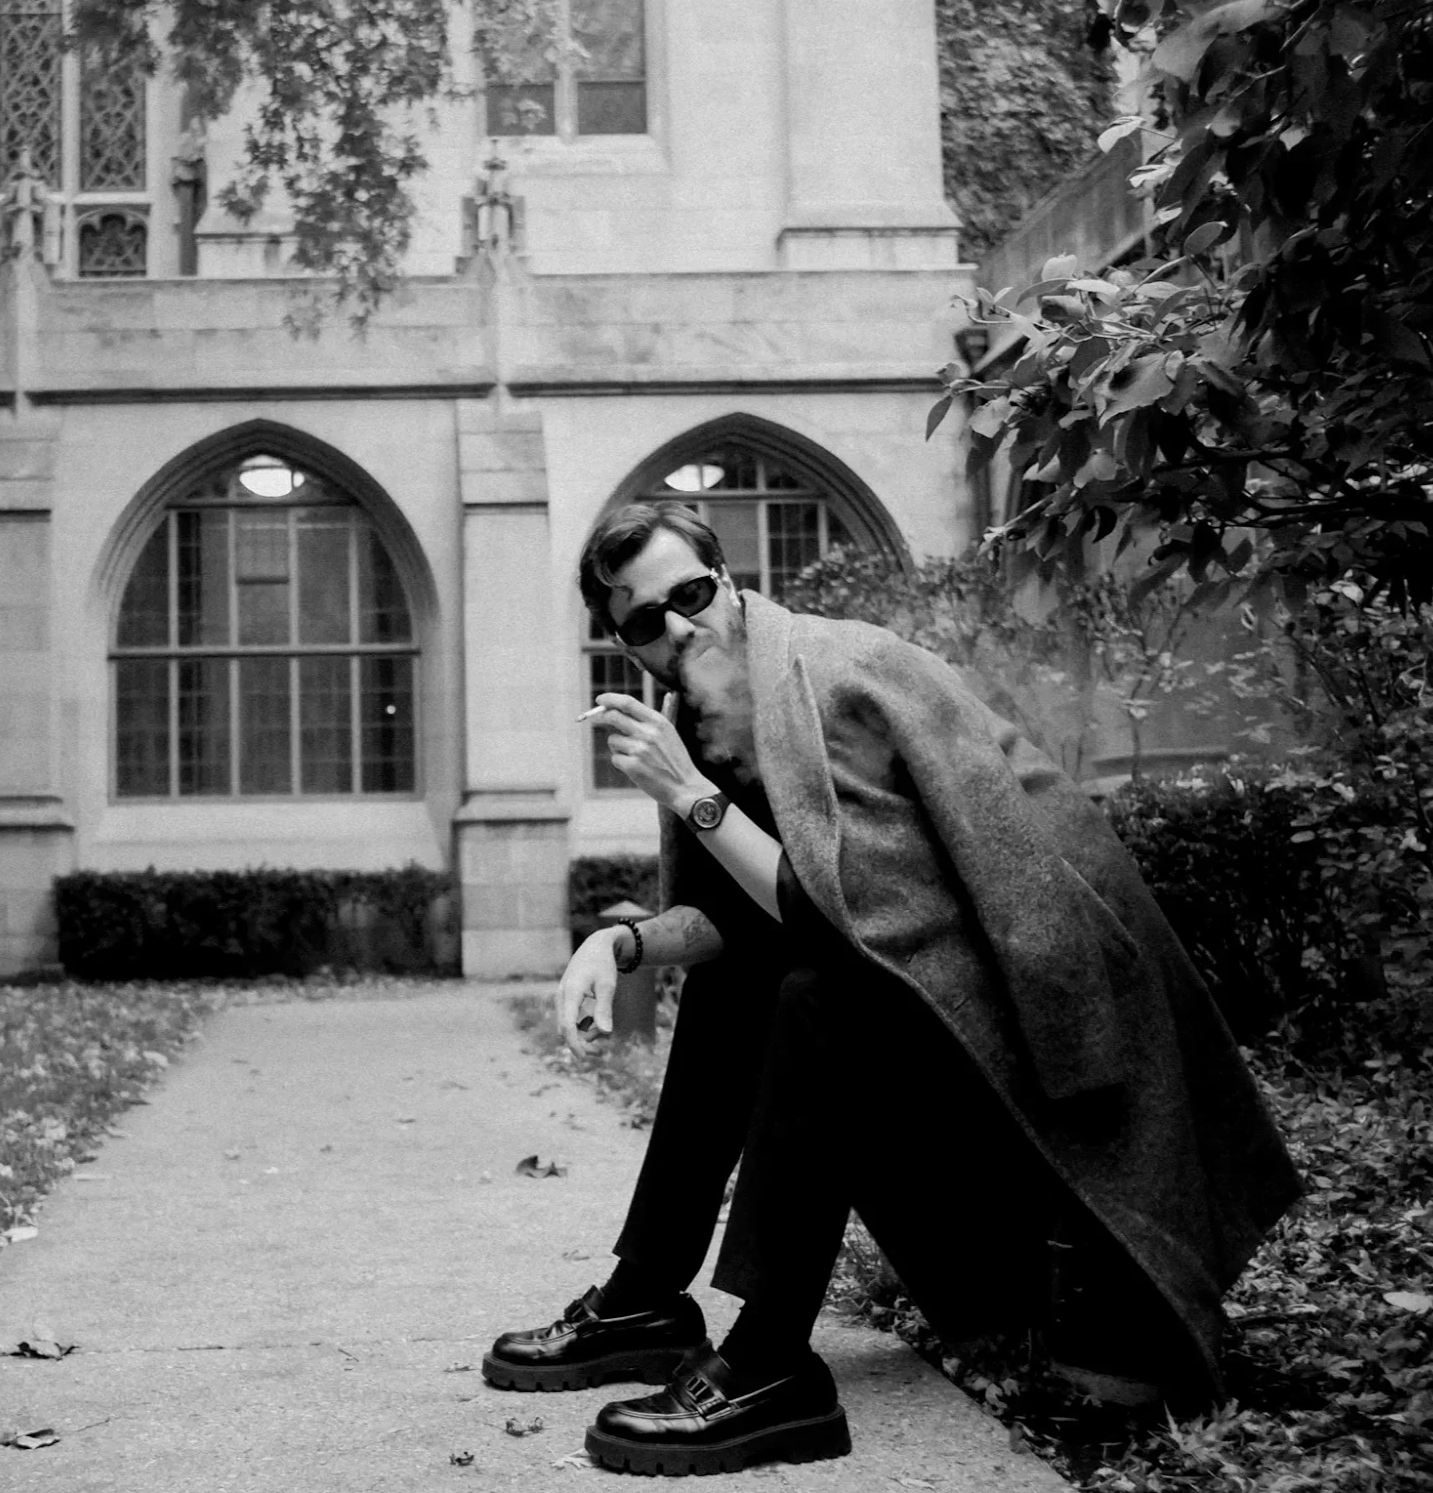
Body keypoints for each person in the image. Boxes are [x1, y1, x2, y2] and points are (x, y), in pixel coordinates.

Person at [483, 501, 1299, 1478]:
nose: (677, 630)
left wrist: (688, 798)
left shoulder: (834, 673)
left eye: (690, 596)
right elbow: (742, 919)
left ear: (730, 581)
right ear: (621, 641)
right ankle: (646, 1296)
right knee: (740, 987)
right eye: (644, 622)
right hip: (928, 1042)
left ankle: (768, 1357)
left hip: (1034, 1050)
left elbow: (849, 919)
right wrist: (618, 946)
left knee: (814, 994)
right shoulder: (700, 719)